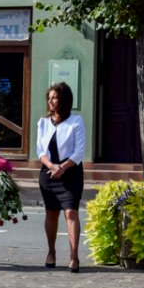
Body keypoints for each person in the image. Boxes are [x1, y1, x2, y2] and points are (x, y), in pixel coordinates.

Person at [37, 81, 86, 273]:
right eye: (48, 98)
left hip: (70, 172)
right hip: (48, 172)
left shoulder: (76, 121)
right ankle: (51, 252)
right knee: (51, 213)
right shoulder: (43, 122)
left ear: (64, 100)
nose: (50, 101)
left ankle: (74, 257)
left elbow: (79, 151)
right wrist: (51, 166)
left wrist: (62, 167)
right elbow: (40, 151)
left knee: (71, 212)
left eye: (54, 97)